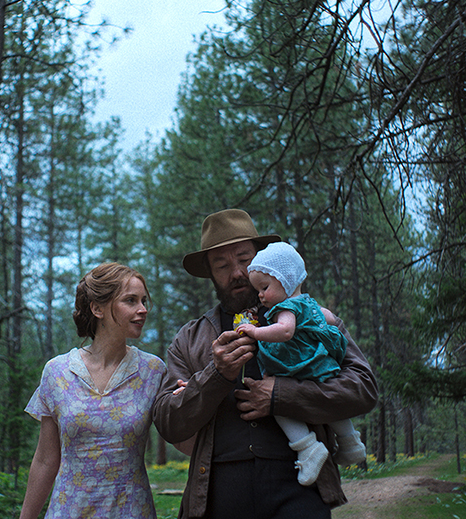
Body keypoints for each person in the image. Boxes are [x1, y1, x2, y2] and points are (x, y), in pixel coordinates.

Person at [152, 209, 378, 519]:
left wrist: (281, 396)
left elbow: (363, 389)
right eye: (222, 265)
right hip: (217, 497)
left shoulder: (310, 316)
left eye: (244, 259)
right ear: (210, 273)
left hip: (300, 491)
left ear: (262, 259)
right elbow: (168, 422)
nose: (237, 273)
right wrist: (216, 374)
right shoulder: (190, 339)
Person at [19, 262, 166, 519]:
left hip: (131, 512)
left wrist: (199, 393)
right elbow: (45, 459)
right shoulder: (58, 372)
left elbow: (184, 439)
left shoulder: (153, 371)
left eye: (144, 301)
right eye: (130, 300)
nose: (143, 309)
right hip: (68, 511)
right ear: (97, 308)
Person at [234, 241, 367, 486]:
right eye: (258, 289)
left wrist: (254, 332)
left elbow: (285, 331)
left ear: (286, 281)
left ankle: (307, 448)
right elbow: (328, 319)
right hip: (320, 365)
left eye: (264, 287)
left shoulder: (285, 308)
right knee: (330, 406)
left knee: (278, 403)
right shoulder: (309, 303)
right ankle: (350, 443)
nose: (260, 295)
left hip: (295, 366)